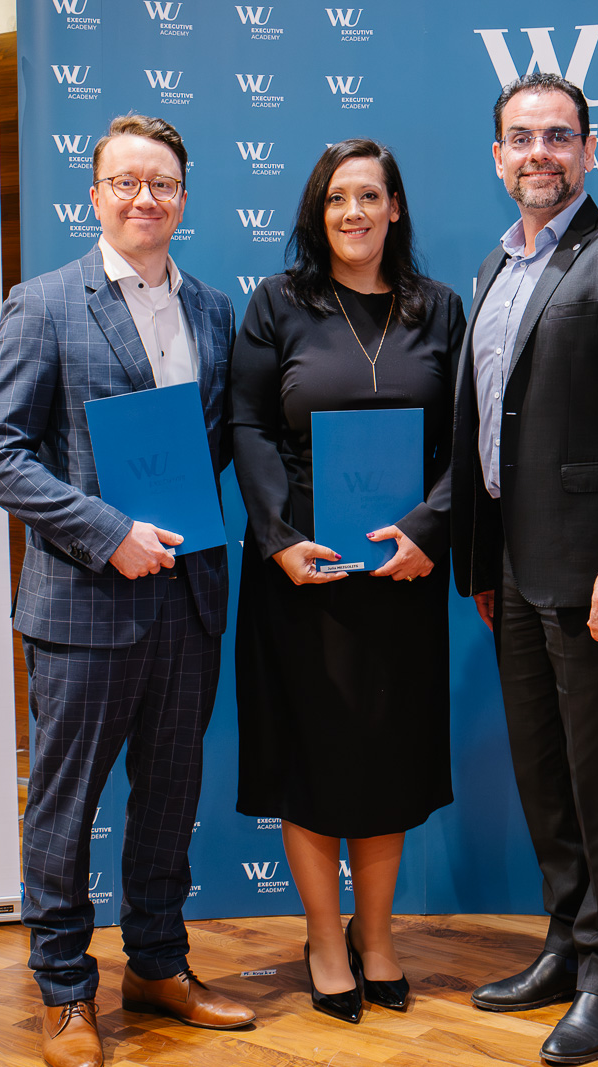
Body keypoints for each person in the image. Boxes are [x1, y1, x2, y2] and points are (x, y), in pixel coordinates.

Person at [0, 114, 254, 1067]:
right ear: (95, 196)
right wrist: (108, 532)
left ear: (184, 197)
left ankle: (158, 966)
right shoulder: (43, 304)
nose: (144, 198)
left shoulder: (213, 309)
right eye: (125, 182)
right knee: (64, 806)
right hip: (85, 606)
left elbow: (213, 447)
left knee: (169, 799)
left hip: (189, 599)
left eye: (162, 183)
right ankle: (64, 992)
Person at [452, 74, 598, 1065]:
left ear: (589, 151)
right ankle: (564, 942)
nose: (538, 152)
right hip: (509, 565)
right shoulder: (492, 268)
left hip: (595, 569)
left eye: (558, 136)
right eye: (520, 138)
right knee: (543, 774)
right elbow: (489, 424)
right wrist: (480, 557)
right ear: (497, 157)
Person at [230, 139, 464, 1024]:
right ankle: (325, 941)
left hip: (403, 573)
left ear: (395, 207)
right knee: (311, 756)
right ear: (316, 212)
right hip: (303, 574)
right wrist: (278, 538)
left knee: (385, 754)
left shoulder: (440, 308)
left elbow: (470, 439)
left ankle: (378, 936)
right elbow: (248, 423)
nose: (353, 212)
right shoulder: (278, 303)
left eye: (370, 195)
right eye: (336, 198)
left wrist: (429, 530)